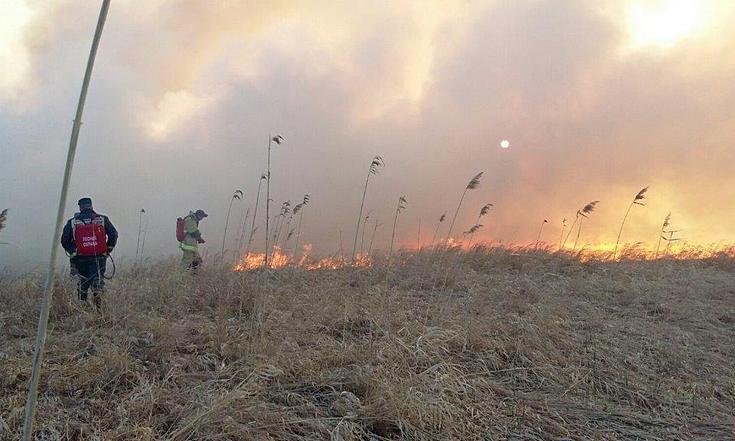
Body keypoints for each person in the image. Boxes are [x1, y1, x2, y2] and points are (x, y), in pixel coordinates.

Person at [61, 197, 118, 307]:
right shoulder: (102, 219)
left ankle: (83, 306)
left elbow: (64, 240)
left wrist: (73, 251)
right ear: (91, 206)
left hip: (80, 258)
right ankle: (99, 308)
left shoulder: (72, 222)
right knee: (97, 279)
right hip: (99, 256)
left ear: (80, 207)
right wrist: (108, 249)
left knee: (83, 281)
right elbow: (114, 234)